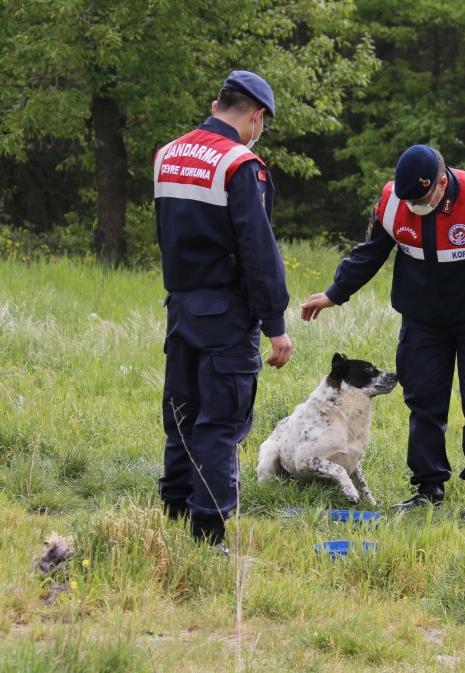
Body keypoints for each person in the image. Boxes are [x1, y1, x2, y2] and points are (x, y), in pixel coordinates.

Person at [300, 144, 465, 523]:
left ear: (442, 183)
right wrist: (334, 293)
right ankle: (428, 490)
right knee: (423, 404)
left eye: (421, 199)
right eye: (408, 200)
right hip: (423, 322)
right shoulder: (393, 202)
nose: (413, 207)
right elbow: (370, 252)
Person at [153, 70, 293, 545]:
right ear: (254, 116)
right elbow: (257, 249)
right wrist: (274, 322)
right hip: (225, 312)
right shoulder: (240, 164)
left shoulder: (167, 155)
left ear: (217, 104)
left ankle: (172, 510)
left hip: (181, 304)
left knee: (182, 410)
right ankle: (208, 529)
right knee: (222, 417)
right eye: (262, 124)